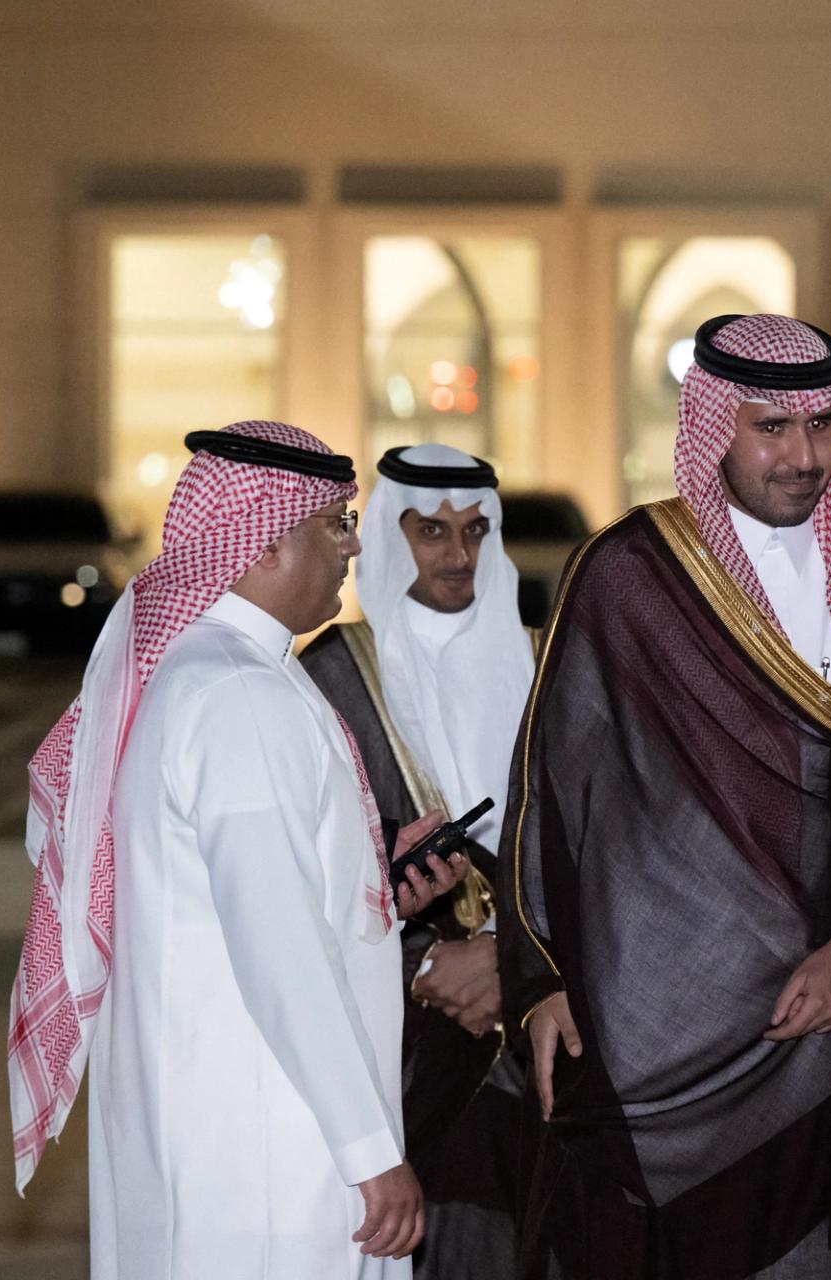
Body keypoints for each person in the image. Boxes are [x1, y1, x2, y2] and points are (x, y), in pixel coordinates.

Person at [497, 314, 831, 1279]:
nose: (803, 457)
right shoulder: (631, 574)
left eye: (822, 428)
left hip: (828, 1008)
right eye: (772, 429)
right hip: (659, 1018)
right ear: (715, 425)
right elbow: (556, 792)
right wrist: (539, 973)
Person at [7, 421, 470, 1278]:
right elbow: (278, 945)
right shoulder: (236, 693)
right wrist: (371, 1150)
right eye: (334, 523)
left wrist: (371, 878)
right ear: (261, 542)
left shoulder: (217, 670)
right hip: (268, 1137)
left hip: (231, 1112)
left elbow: (255, 898)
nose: (352, 547)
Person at [300, 443, 535, 1277]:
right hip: (411, 1023)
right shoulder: (333, 672)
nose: (458, 555)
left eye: (476, 531)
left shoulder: (543, 661)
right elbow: (313, 865)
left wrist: (520, 960)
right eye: (431, 531)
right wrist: (430, 960)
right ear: (393, 536)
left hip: (542, 998)